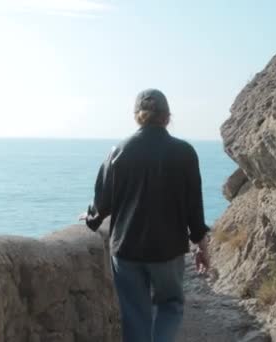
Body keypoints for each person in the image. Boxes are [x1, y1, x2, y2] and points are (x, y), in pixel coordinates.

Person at [80, 88, 210, 342]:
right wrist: (201, 245)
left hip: (126, 249)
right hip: (168, 250)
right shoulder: (184, 152)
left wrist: (91, 218)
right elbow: (194, 206)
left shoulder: (119, 151)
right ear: (167, 116)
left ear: (137, 116)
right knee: (170, 305)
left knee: (135, 316)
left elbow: (102, 203)